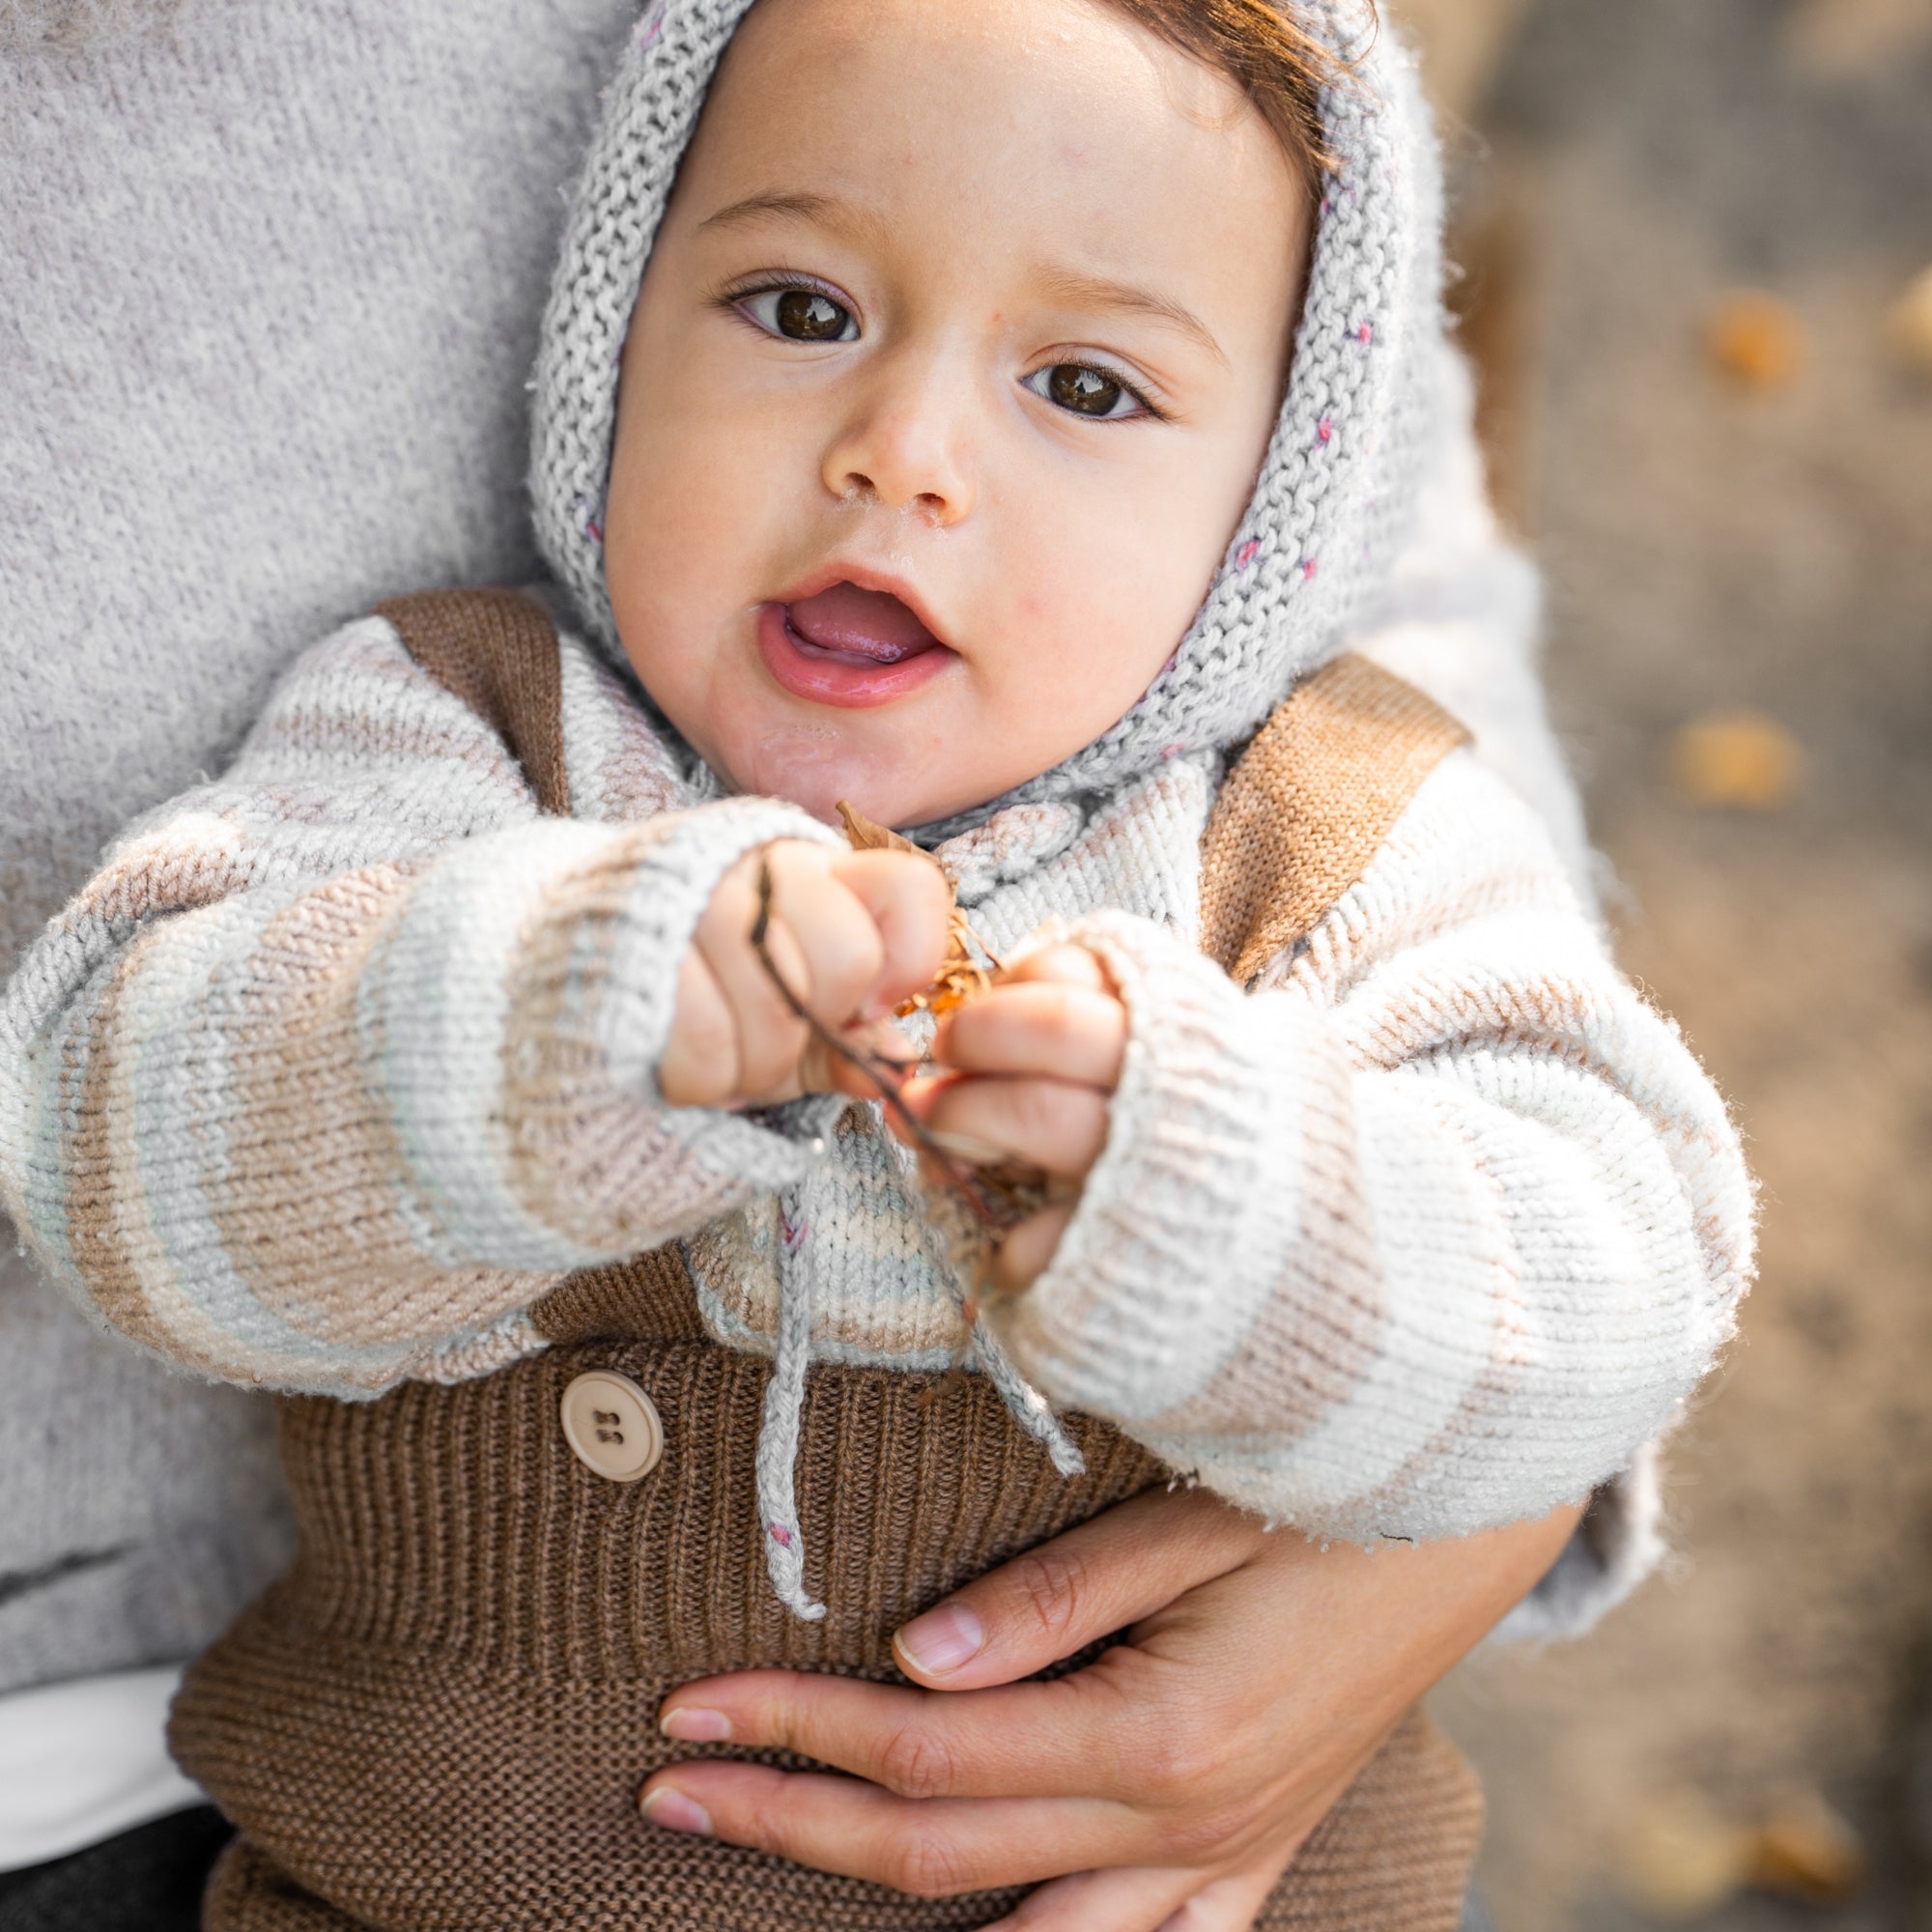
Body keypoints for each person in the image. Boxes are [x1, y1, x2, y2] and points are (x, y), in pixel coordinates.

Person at [0, 0, 1752, 1926]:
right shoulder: (453, 744)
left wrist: (1235, 1202)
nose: (897, 455)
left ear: (1275, 505)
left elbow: (1617, 1258)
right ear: (612, 331)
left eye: (1083, 387)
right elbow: (112, 1130)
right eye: (801, 311)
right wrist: (561, 1024)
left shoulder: (1341, 827)